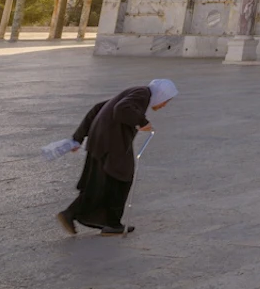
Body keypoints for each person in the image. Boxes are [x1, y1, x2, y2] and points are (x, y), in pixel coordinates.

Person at [56, 79, 176, 236]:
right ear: (161, 94)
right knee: (121, 180)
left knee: (100, 183)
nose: (164, 105)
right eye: (166, 100)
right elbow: (121, 109)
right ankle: (111, 224)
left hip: (100, 142)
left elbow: (97, 108)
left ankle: (74, 214)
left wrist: (78, 138)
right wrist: (142, 122)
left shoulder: (136, 93)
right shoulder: (142, 94)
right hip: (111, 144)